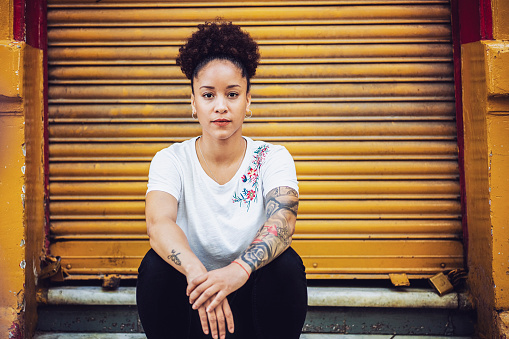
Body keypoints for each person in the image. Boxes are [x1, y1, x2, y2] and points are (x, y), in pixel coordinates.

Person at [136, 21, 308, 339]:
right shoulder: (170, 160)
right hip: (195, 298)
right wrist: (198, 275)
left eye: (232, 94)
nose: (220, 107)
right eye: (208, 95)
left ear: (248, 101)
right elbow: (158, 225)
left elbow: (283, 222)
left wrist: (236, 272)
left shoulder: (273, 157)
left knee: (286, 265)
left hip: (253, 302)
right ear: (193, 103)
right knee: (155, 267)